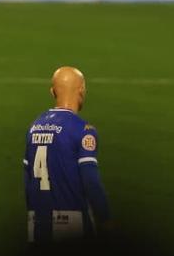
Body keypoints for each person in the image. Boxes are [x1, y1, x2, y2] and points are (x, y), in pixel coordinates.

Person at [23, 66, 110, 243]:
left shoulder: (34, 128)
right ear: (81, 90)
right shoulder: (82, 130)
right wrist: (105, 219)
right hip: (72, 225)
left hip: (37, 223)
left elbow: (27, 180)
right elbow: (90, 180)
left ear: (52, 91)